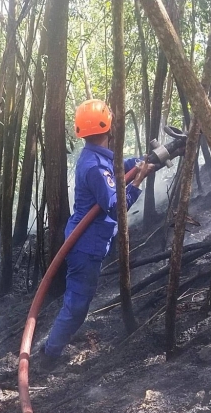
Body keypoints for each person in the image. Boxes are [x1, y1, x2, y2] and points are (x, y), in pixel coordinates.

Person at [42, 100, 154, 362]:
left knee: (77, 301)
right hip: (84, 246)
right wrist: (137, 182)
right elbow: (115, 206)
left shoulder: (98, 156)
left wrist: (143, 162)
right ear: (109, 128)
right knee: (78, 305)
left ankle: (50, 347)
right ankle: (49, 354)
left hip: (88, 242)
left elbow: (120, 165)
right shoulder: (94, 167)